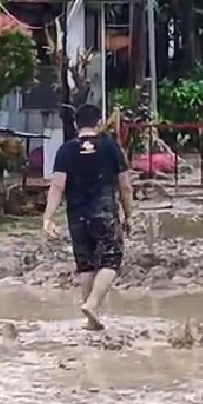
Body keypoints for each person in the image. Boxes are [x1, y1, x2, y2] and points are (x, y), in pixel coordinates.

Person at [42, 104, 133, 331]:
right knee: (111, 260)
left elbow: (57, 185)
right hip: (103, 213)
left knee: (86, 265)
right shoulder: (110, 147)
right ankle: (91, 304)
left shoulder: (66, 150)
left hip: (76, 216)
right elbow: (125, 186)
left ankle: (91, 319)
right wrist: (128, 215)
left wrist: (48, 217)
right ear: (99, 123)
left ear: (76, 124)